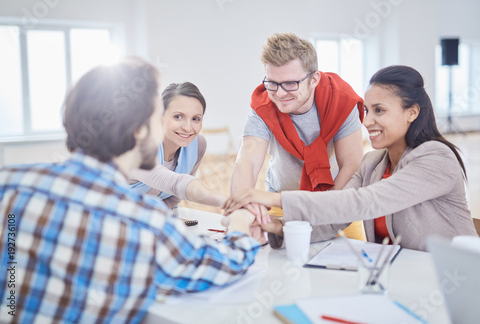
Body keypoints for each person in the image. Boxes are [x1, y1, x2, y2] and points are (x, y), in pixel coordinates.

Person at [0, 57, 259, 323]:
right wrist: (239, 221)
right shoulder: (145, 223)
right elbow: (228, 261)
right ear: (139, 130)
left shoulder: (8, 184)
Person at [224, 65, 478, 251]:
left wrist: (272, 198)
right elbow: (335, 211)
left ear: (412, 112)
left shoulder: (437, 157)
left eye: (379, 110)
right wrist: (278, 226)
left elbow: (366, 201)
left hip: (451, 283)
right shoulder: (372, 163)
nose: (366, 121)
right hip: (397, 278)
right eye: (367, 110)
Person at [230, 32, 364, 230]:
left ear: (314, 79)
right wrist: (242, 207)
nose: (280, 93)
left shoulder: (342, 100)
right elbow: (247, 159)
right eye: (272, 83)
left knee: (351, 256)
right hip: (281, 202)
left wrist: (321, 210)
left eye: (291, 84)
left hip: (336, 201)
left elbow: (351, 165)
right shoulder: (263, 105)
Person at [129, 82, 226, 209]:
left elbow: (173, 199)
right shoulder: (138, 145)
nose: (187, 127)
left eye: (196, 119)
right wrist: (227, 202)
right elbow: (175, 183)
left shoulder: (198, 146)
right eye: (178, 117)